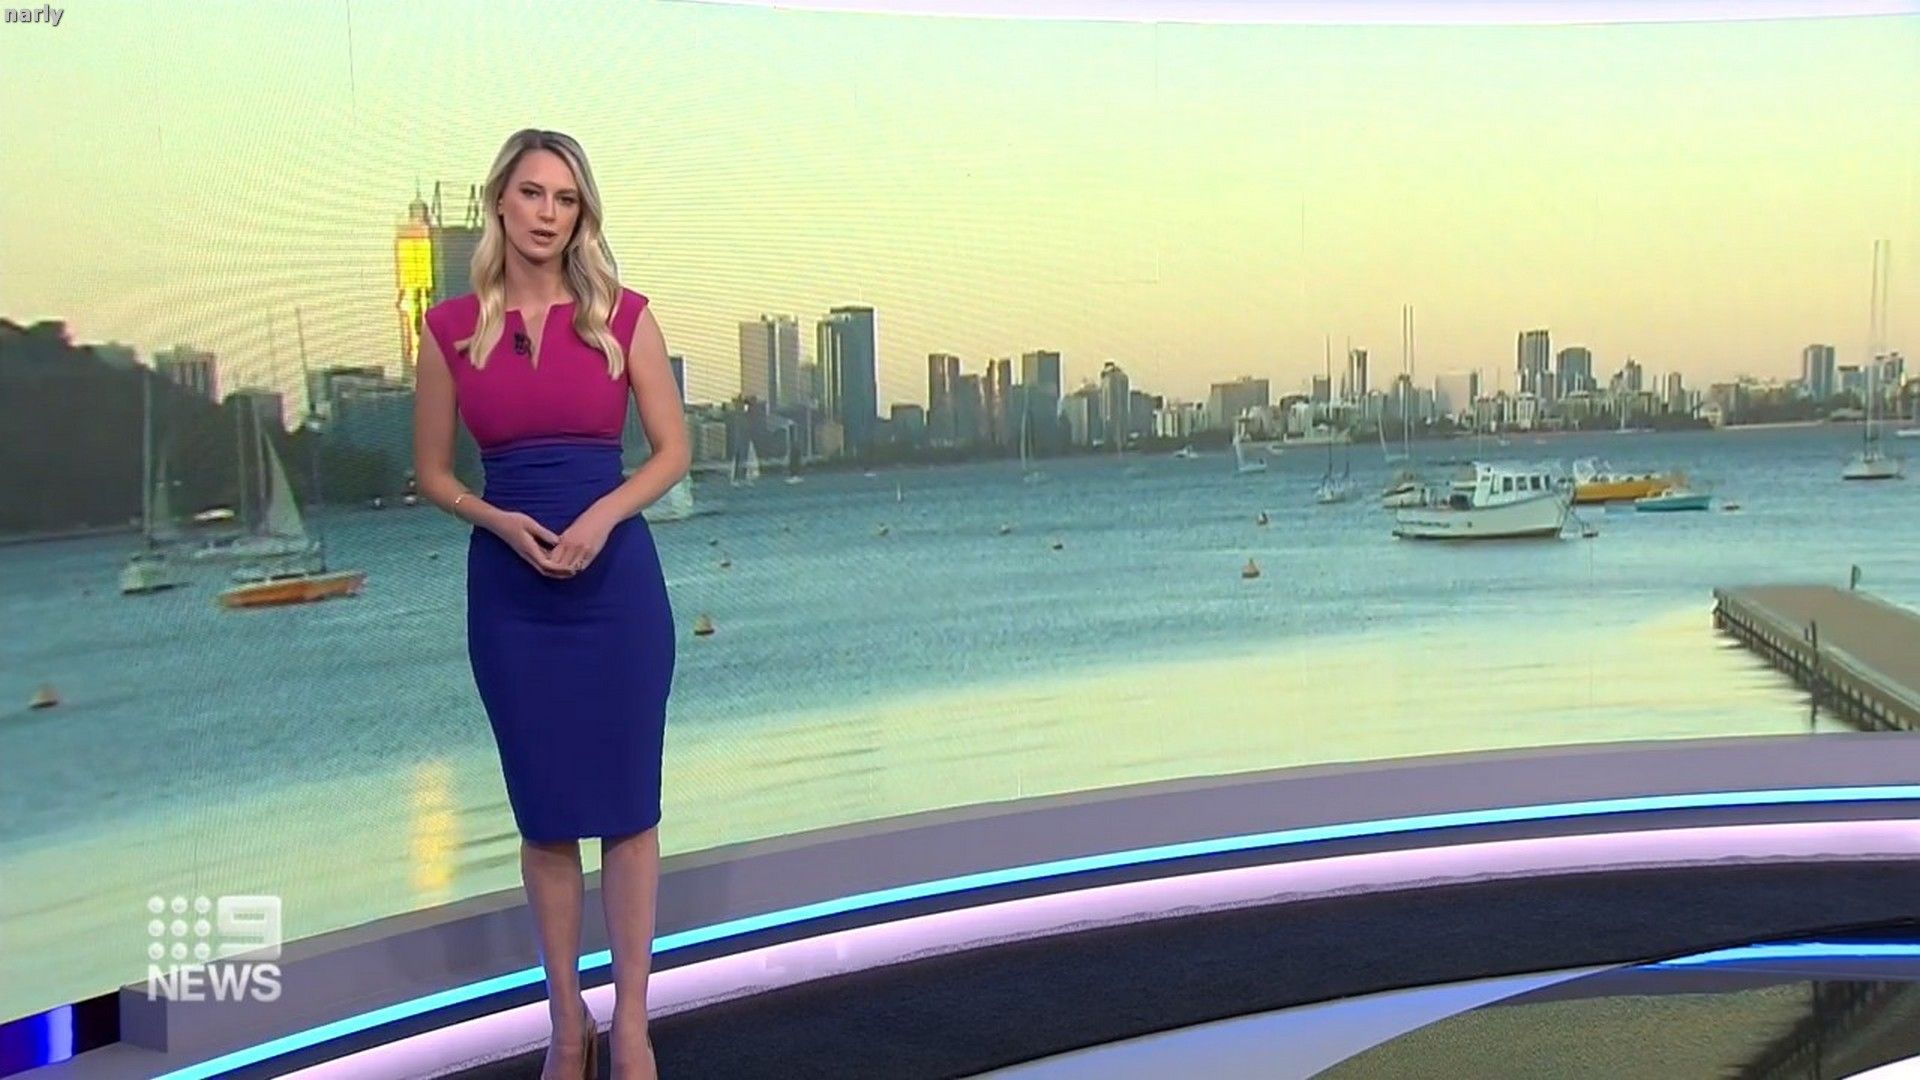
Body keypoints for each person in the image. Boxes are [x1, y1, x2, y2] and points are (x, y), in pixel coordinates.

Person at [413, 128, 688, 1080]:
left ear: (582, 216)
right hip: (512, 595)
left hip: (616, 591)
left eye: (566, 199)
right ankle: (568, 1028)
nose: (547, 213)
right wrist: (496, 520)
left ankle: (634, 1027)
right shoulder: (450, 330)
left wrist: (603, 516)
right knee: (545, 817)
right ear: (500, 201)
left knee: (629, 812)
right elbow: (432, 474)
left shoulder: (621, 316)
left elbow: (672, 452)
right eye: (532, 193)